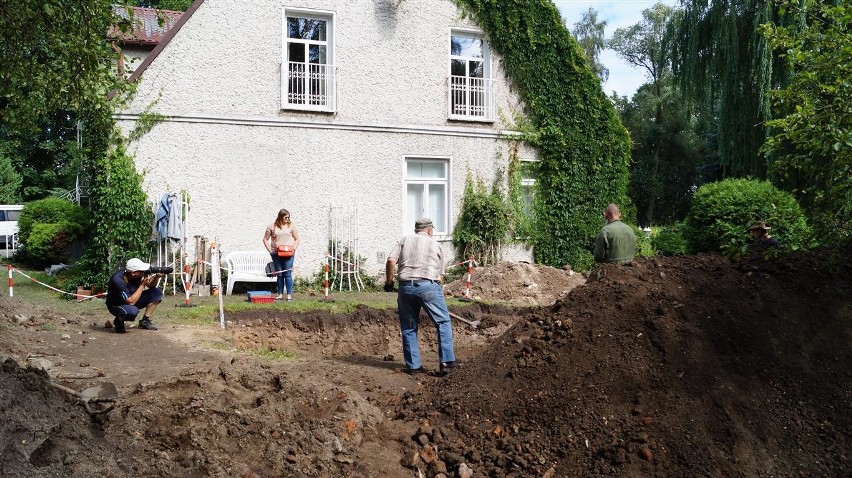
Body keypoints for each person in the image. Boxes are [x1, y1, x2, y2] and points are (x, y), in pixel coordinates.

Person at [385, 218, 458, 375]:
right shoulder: (436, 244)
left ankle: (414, 367)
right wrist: (437, 292)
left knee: (409, 327)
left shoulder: (404, 240)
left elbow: (391, 260)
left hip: (405, 287)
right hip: (428, 286)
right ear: (430, 230)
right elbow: (440, 275)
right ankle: (447, 363)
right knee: (443, 322)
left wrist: (389, 282)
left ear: (416, 229)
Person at [105, 258, 163, 333]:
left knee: (156, 292)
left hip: (132, 299)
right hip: (117, 305)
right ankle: (119, 321)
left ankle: (145, 321)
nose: (143, 272)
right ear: (133, 273)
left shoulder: (136, 275)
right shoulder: (118, 280)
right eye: (141, 271)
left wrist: (156, 277)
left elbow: (151, 286)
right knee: (132, 311)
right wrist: (142, 285)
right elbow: (130, 302)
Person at [263, 208, 301, 301]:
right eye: (285, 217)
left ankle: (289, 295)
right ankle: (280, 294)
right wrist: (270, 250)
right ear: (280, 217)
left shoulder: (291, 226)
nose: (287, 219)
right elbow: (265, 239)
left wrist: (294, 249)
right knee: (279, 274)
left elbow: (297, 239)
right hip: (276, 253)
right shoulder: (272, 226)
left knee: (287, 274)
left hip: (288, 253)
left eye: (288, 217)